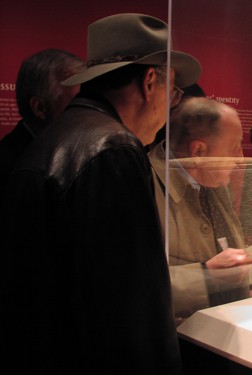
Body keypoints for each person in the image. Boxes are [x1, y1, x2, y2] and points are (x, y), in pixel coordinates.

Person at [0, 13, 201, 374]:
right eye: (172, 90)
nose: (170, 107)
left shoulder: (59, 133)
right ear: (150, 81)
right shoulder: (112, 148)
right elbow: (130, 314)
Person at [149, 97, 252, 323]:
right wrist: (205, 274)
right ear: (199, 151)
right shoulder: (142, 185)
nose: (240, 159)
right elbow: (131, 285)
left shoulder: (213, 180)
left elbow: (232, 248)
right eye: (233, 148)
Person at [0, 49, 85, 197]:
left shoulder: (67, 150)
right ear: (39, 108)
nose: (89, 112)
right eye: (78, 101)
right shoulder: (10, 167)